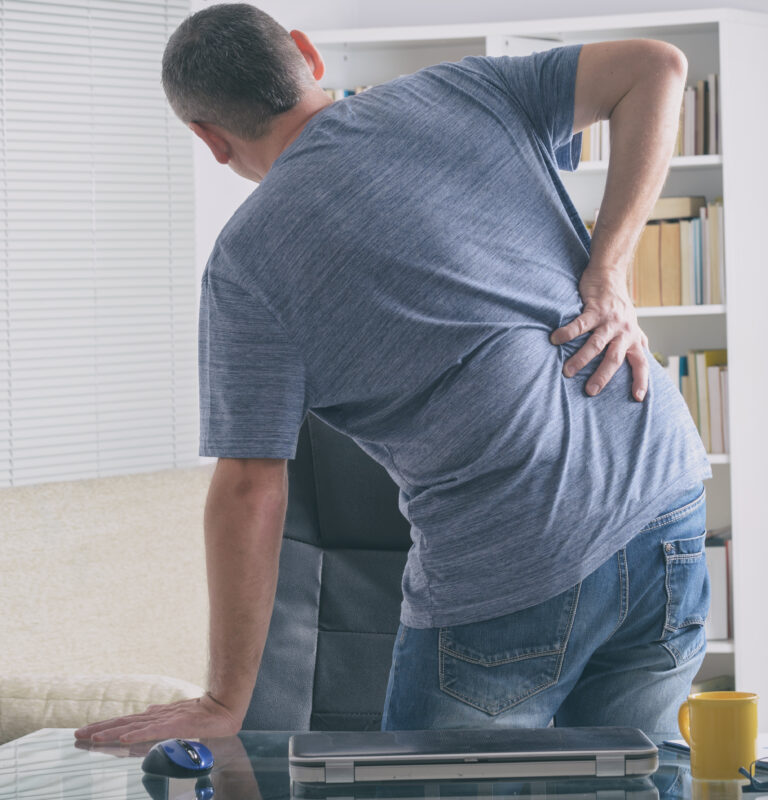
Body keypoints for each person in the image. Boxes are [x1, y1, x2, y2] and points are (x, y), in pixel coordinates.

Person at [75, 4, 711, 745]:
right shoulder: (459, 90)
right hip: (662, 490)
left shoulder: (248, 262)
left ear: (209, 140)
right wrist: (611, 273)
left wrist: (224, 700)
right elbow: (657, 68)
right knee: (637, 778)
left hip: (510, 553)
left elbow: (251, 487)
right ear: (308, 57)